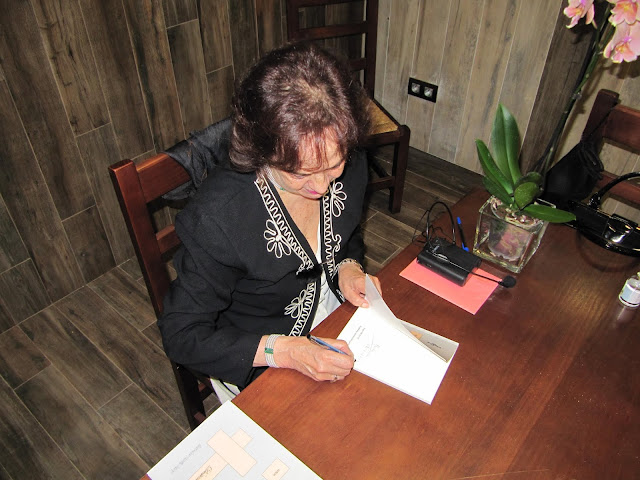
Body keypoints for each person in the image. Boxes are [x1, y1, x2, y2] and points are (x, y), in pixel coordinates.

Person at [158, 42, 381, 396]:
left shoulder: (345, 154)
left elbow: (345, 230)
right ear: (261, 151)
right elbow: (182, 335)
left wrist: (349, 267)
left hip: (336, 322)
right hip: (261, 354)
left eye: (333, 166)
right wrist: (283, 351)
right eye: (300, 172)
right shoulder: (219, 218)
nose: (322, 186)